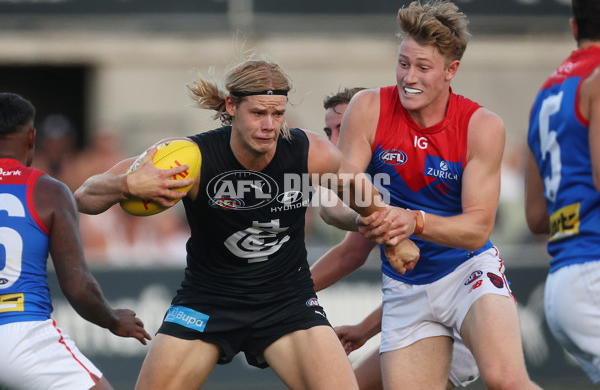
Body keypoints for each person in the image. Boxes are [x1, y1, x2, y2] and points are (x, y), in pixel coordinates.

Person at [74, 57, 413, 390]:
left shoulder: (310, 152)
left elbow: (358, 190)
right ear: (231, 106)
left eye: (277, 114)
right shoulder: (192, 157)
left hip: (287, 302)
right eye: (258, 113)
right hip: (206, 301)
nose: (270, 125)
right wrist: (126, 185)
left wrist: (391, 234)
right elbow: (82, 197)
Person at [316, 0, 541, 389]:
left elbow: (476, 230)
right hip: (406, 288)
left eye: (423, 67)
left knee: (506, 381)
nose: (409, 77)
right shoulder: (368, 106)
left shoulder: (481, 126)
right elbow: (337, 193)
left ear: (451, 70)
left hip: (468, 273)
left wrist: (409, 221)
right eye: (404, 63)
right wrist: (372, 219)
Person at [313, 87, 479, 389]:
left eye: (343, 127)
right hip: (426, 314)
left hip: (460, 318)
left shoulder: (400, 172)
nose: (335, 139)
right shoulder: (374, 184)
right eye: (329, 131)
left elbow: (433, 286)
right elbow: (349, 249)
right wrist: (284, 293)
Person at [0, 92, 152, 390]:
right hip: (22, 330)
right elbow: (78, 285)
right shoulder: (50, 192)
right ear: (32, 137)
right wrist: (112, 319)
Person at [525, 0, 600, 384]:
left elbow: (537, 217)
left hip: (564, 281)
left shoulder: (544, 95)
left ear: (574, 27)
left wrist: (575, 217)